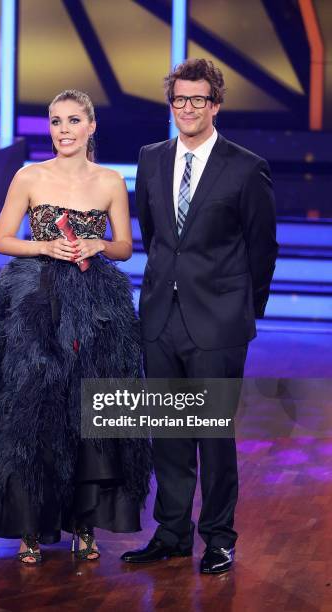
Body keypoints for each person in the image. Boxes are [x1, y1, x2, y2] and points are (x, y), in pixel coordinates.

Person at [0, 89, 151, 564]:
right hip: (35, 302)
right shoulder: (29, 176)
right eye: (56, 121)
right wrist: (45, 248)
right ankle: (30, 526)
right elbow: (2, 239)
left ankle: (83, 524)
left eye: (74, 120)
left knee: (86, 409)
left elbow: (124, 247)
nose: (64, 130)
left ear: (91, 126)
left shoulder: (111, 181)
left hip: (95, 306)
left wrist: (96, 243)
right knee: (32, 408)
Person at [121, 59, 278, 573]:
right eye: (179, 100)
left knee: (212, 437)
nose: (187, 108)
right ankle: (170, 533)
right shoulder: (150, 158)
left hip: (220, 323)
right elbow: (156, 238)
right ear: (172, 105)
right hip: (161, 318)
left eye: (198, 100)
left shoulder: (245, 166)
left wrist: (241, 313)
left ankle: (218, 538)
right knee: (167, 433)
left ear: (215, 104)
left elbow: (262, 248)